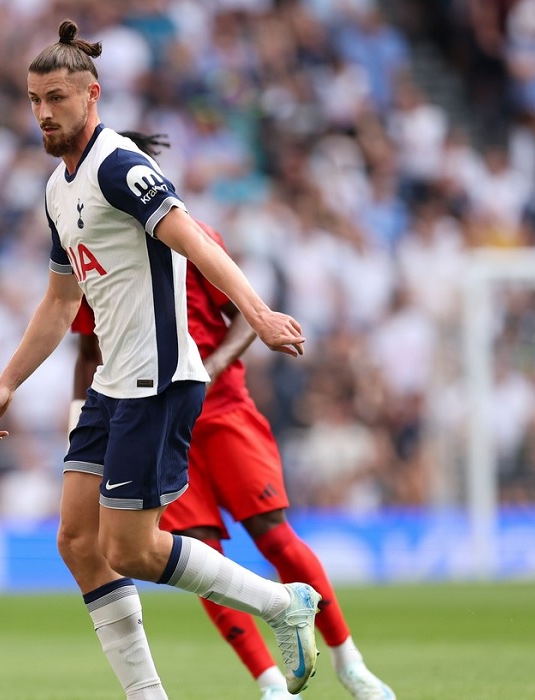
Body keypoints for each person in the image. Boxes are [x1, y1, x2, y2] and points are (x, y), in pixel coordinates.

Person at [0, 21, 320, 699]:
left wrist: (257, 314)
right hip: (114, 382)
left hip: (158, 380)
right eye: (33, 100)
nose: (43, 112)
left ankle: (284, 604)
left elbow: (193, 240)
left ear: (91, 95)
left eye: (56, 98)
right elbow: (56, 305)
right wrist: (6, 382)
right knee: (76, 541)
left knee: (130, 549)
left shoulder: (119, 166)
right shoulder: (59, 188)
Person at [70, 131, 396, 700]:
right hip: (146, 415)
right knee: (192, 548)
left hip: (220, 408)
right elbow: (86, 346)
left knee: (273, 533)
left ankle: (351, 664)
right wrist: (80, 418)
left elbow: (245, 310)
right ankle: (271, 683)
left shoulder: (190, 236)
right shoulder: (96, 252)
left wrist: (214, 363)